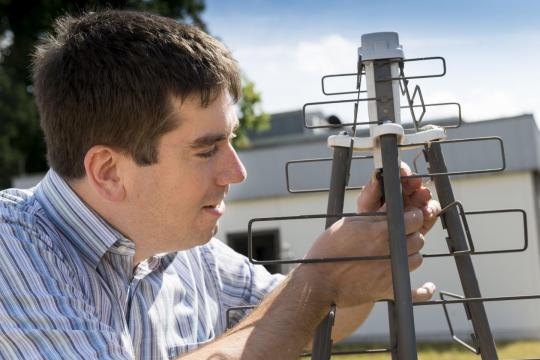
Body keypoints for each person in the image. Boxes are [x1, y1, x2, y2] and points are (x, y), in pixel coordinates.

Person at [0, 10, 440, 360]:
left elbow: (306, 320)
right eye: (207, 149)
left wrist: (363, 258)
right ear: (109, 171)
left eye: (229, 140)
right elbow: (302, 304)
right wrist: (322, 277)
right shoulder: (10, 248)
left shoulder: (188, 255)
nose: (236, 172)